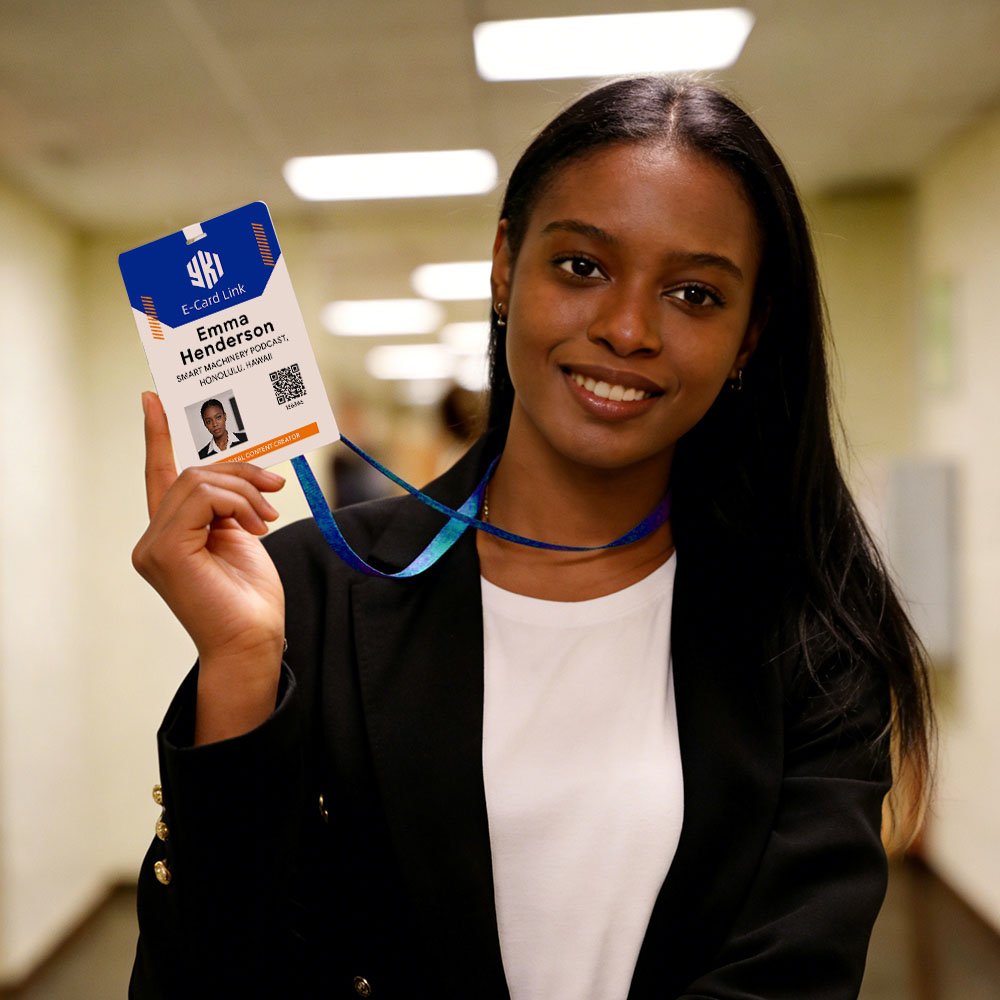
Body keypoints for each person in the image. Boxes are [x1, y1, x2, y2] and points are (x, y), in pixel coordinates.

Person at [129, 77, 934, 999]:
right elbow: (210, 978)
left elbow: (793, 977)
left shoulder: (811, 631)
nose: (628, 329)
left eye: (694, 293)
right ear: (505, 266)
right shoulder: (304, 594)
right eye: (582, 267)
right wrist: (237, 665)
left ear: (749, 336)